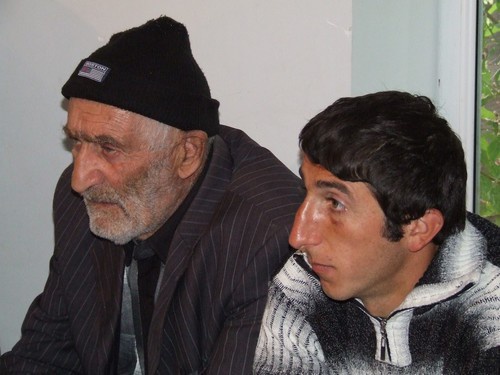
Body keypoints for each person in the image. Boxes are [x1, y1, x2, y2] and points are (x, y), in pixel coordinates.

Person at [0, 16, 304, 374]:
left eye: (108, 147)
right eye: (77, 141)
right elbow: (42, 357)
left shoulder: (267, 240)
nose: (80, 179)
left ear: (186, 154)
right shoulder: (83, 202)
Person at [253, 91, 500, 374]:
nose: (298, 236)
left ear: (418, 228)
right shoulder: (302, 283)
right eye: (306, 191)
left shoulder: (489, 308)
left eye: (335, 203)